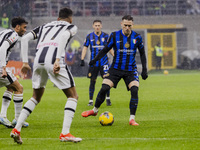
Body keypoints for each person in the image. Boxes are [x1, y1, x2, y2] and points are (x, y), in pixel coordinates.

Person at [10, 7, 82, 144]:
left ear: (58, 18)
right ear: (70, 18)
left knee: (36, 97)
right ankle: (65, 133)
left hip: (38, 61)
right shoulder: (71, 26)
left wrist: (25, 62)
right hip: (53, 60)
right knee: (73, 96)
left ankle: (16, 130)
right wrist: (58, 59)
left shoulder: (45, 25)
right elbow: (64, 36)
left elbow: (24, 39)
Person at [81, 15, 148, 126]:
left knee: (135, 90)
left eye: (129, 25)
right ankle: (95, 110)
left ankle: (132, 119)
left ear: (132, 25)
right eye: (125, 25)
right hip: (115, 68)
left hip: (130, 70)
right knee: (104, 88)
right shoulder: (114, 35)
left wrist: (145, 70)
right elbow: (105, 49)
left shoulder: (137, 37)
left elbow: (142, 54)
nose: (127, 27)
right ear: (121, 24)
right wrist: (95, 59)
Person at [0, 17, 29, 128]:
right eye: (24, 27)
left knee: (10, 87)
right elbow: (2, 48)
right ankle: (17, 119)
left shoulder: (3, 32)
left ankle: (3, 115)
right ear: (17, 27)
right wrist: (3, 67)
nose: (25, 30)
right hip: (0, 67)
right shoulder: (14, 35)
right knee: (19, 88)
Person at [80, 20, 114, 106]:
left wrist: (115, 57)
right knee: (92, 81)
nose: (97, 27)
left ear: (101, 26)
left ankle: (108, 99)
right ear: (93, 26)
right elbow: (85, 48)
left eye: (99, 25)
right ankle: (91, 100)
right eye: (96, 25)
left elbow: (110, 48)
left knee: (107, 81)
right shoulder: (89, 36)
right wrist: (82, 59)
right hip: (94, 63)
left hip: (104, 63)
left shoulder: (106, 36)